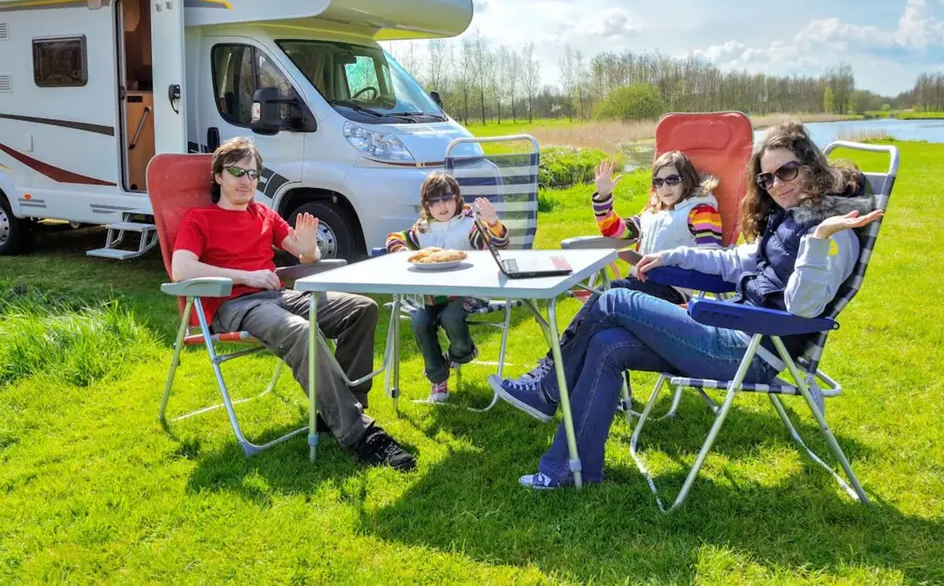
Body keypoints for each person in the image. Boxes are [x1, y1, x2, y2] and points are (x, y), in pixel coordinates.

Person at [498, 121, 884, 489]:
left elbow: (804, 309)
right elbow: (733, 261)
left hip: (749, 352)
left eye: (786, 172)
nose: (776, 185)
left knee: (613, 299)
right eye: (767, 178)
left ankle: (546, 388)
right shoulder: (787, 220)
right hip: (731, 332)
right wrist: (672, 257)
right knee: (605, 345)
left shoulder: (835, 234)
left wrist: (817, 240)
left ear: (812, 168)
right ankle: (570, 468)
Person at [171, 136, 415, 471]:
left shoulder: (264, 215)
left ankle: (340, 411)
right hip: (234, 305)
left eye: (253, 174)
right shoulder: (199, 219)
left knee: (361, 309)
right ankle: (360, 434)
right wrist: (247, 276)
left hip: (278, 296)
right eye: (237, 172)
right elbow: (181, 269)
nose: (246, 181)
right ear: (218, 176)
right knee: (301, 331)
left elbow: (305, 254)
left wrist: (310, 248)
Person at [489, 151, 723, 406]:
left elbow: (709, 257)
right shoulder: (651, 213)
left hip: (671, 293)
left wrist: (665, 261)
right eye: (658, 181)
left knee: (604, 297)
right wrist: (603, 197)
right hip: (642, 287)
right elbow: (616, 231)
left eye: (672, 180)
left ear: (687, 179)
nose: (664, 187)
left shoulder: (700, 211)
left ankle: (547, 383)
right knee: (601, 317)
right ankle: (556, 385)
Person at [386, 172, 509, 403]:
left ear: (457, 199)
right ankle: (438, 378)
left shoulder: (470, 225)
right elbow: (394, 238)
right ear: (426, 205)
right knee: (420, 321)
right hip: (434, 295)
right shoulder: (422, 229)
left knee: (451, 317)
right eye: (435, 201)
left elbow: (498, 246)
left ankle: (461, 353)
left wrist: (492, 222)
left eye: (447, 198)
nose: (442, 206)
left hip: (470, 292)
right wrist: (402, 252)